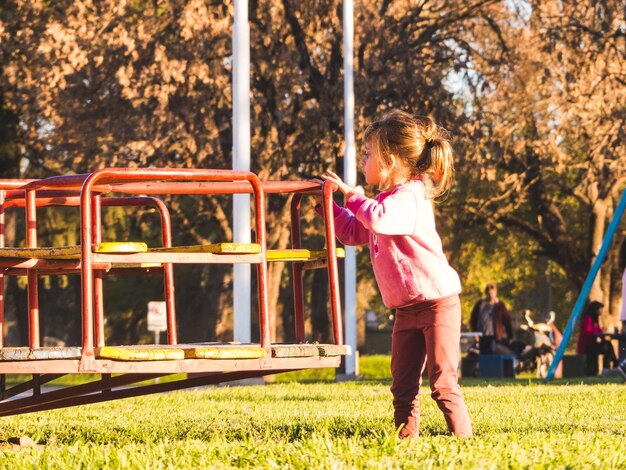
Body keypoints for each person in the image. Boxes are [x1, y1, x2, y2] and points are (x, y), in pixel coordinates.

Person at [319, 109, 472, 438]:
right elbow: (354, 231)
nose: (363, 161)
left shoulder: (409, 197)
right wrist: (326, 205)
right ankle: (405, 442)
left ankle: (463, 440)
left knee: (442, 382)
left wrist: (353, 195)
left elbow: (377, 220)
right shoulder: (384, 201)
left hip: (437, 305)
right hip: (405, 310)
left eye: (367, 154)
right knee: (402, 386)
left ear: (388, 160)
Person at [469, 283, 513, 355]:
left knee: (495, 355)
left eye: (492, 293)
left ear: (495, 292)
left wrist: (510, 336)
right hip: (483, 336)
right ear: (486, 293)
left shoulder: (500, 306)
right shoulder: (480, 305)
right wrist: (475, 334)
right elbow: (473, 320)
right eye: (489, 293)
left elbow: (507, 321)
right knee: (484, 356)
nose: (491, 295)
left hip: (496, 337)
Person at [576, 300, 618, 376]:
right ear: (595, 309)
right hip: (587, 346)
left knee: (608, 345)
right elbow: (590, 332)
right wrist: (601, 334)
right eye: (600, 309)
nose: (601, 311)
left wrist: (603, 339)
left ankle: (612, 365)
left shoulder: (595, 319)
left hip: (592, 344)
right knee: (608, 346)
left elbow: (599, 332)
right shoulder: (588, 319)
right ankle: (612, 365)